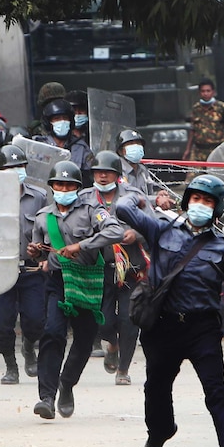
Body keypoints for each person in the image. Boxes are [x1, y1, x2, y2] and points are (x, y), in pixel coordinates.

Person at [115, 174, 224, 447]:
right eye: (196, 199)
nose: (200, 205)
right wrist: (140, 199)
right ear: (187, 202)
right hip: (162, 325)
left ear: (217, 208)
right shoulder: (161, 229)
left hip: (202, 328)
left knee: (216, 389)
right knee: (156, 387)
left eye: (208, 201)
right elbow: (123, 209)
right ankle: (158, 434)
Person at [26, 161, 124, 419]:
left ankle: (66, 384)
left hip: (89, 280)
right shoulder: (42, 217)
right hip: (58, 281)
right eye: (59, 184)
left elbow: (115, 231)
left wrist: (82, 246)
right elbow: (37, 248)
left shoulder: (93, 210)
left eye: (70, 185)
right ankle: (46, 397)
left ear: (78, 188)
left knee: (84, 340)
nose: (64, 189)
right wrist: (35, 252)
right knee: (52, 333)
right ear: (52, 187)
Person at [80, 151, 149, 386]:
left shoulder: (133, 196)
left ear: (117, 175)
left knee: (130, 320)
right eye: (98, 172)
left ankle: (124, 369)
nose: (102, 176)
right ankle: (112, 344)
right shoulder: (84, 198)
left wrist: (137, 234)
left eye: (107, 172)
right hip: (99, 267)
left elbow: (152, 224)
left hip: (131, 268)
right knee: (103, 321)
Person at [0, 145, 47, 384]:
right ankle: (10, 366)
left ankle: (29, 346)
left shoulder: (39, 196)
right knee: (3, 323)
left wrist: (42, 251)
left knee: (35, 319)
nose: (16, 172)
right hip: (1, 268)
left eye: (20, 167)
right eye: (10, 168)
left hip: (31, 268)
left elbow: (47, 230)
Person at [35, 98, 94, 187]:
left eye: (65, 118)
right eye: (57, 119)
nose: (62, 122)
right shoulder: (38, 145)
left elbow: (91, 176)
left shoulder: (81, 147)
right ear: (49, 123)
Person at [115, 129, 176, 210]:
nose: (136, 146)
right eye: (131, 144)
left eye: (138, 143)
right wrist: (156, 200)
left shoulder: (143, 170)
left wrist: (158, 195)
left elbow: (148, 193)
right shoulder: (118, 170)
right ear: (120, 151)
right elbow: (128, 197)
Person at [184, 79, 224, 165]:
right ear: (199, 93)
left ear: (213, 92)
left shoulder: (222, 108)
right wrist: (188, 149)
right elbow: (193, 130)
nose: (205, 93)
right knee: (192, 177)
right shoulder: (196, 109)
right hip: (199, 151)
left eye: (208, 91)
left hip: (216, 150)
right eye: (203, 91)